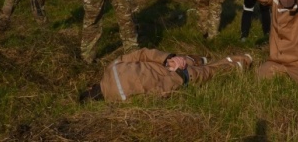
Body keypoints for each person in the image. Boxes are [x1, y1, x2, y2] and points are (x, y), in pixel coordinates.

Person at [80, 48, 253, 102]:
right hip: (171, 65)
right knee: (196, 64)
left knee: (214, 71)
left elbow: (157, 93)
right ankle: (197, 59)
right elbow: (141, 53)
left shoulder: (122, 100)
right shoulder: (112, 67)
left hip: (179, 75)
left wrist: (176, 78)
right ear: (91, 87)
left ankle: (242, 61)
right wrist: (167, 59)